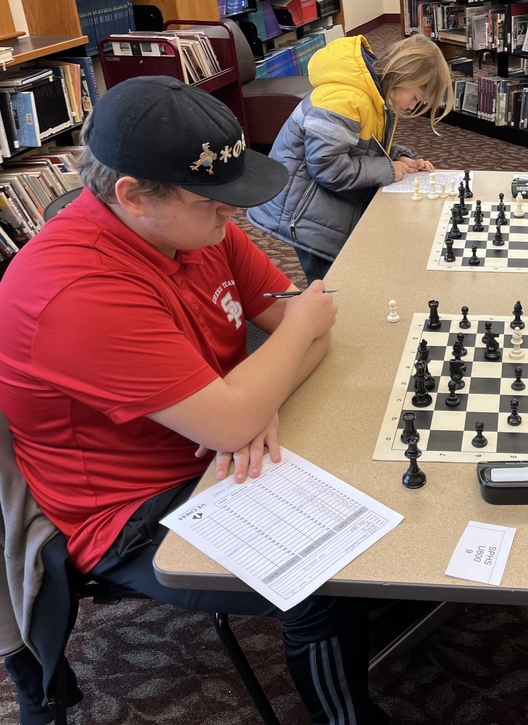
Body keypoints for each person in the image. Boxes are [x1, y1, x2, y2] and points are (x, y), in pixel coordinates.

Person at [0, 76, 388, 724]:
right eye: (214, 199)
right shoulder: (73, 289)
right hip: (132, 512)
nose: (233, 215)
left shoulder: (197, 229)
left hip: (215, 448)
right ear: (132, 197)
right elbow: (297, 326)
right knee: (324, 583)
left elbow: (309, 330)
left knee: (376, 477)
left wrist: (250, 399)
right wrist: (249, 395)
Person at [247, 34, 454, 284]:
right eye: (416, 98)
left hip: (323, 207)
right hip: (303, 216)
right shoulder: (343, 101)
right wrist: (387, 169)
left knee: (346, 280)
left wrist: (397, 157)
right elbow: (329, 168)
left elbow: (360, 146)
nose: (413, 107)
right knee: (334, 285)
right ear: (403, 76)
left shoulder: (372, 95)